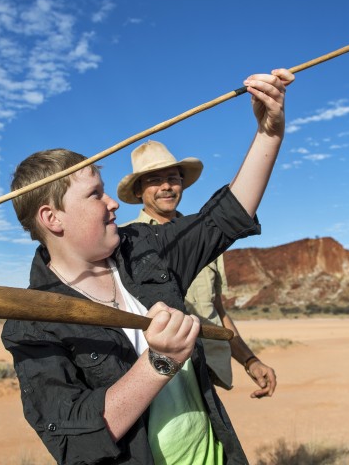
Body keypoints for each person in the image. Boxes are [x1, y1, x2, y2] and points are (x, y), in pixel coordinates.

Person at [1, 69, 293, 464]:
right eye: (95, 195)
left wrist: (269, 132)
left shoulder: (143, 249)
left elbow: (222, 219)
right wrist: (160, 362)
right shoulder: (32, 323)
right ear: (53, 218)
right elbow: (74, 443)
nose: (112, 204)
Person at [117, 140, 277, 399]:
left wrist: (250, 360)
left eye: (173, 178)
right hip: (157, 378)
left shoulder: (206, 239)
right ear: (138, 190)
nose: (166, 186)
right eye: (155, 180)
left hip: (205, 371)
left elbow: (217, 311)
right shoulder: (124, 244)